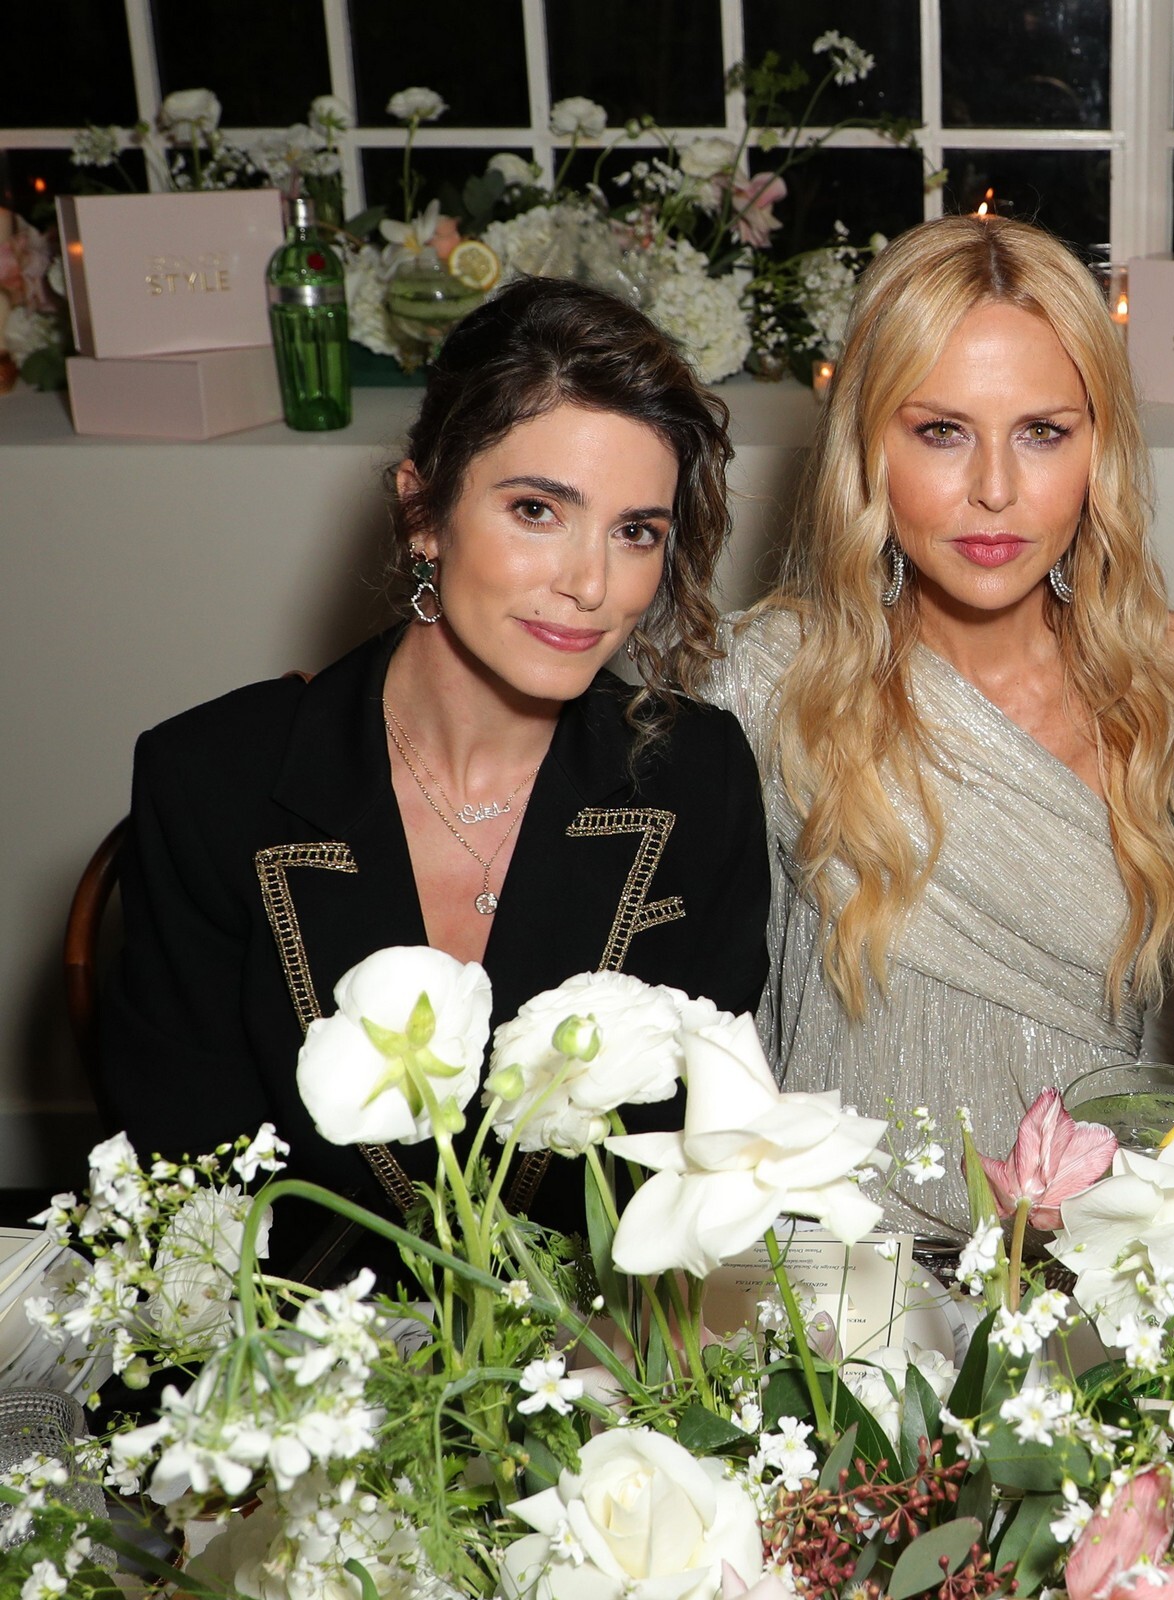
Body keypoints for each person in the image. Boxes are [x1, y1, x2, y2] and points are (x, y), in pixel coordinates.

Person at [98, 278, 770, 1269]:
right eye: (537, 509)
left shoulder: (695, 778)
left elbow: (693, 1174)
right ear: (423, 510)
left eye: (636, 532)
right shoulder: (212, 782)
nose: (590, 584)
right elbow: (190, 1196)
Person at [702, 216, 1174, 1236]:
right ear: (867, 446)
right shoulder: (764, 684)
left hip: (1112, 1275)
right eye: (940, 431)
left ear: (1099, 448)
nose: (994, 490)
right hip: (845, 1281)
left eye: (1042, 433)